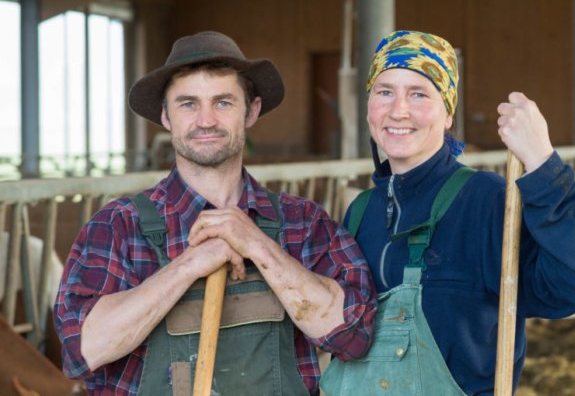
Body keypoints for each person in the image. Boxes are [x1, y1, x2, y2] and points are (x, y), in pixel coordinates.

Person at [54, 31, 377, 395]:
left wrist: (258, 245)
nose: (205, 120)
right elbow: (81, 352)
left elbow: (354, 335)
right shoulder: (117, 227)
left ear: (251, 110)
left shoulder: (303, 223)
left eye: (223, 102)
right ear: (165, 115)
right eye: (188, 104)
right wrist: (189, 265)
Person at [321, 30, 575, 395]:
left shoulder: (486, 202)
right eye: (385, 92)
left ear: (447, 115)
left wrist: (542, 163)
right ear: (368, 108)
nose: (398, 110)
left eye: (419, 94)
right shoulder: (362, 211)